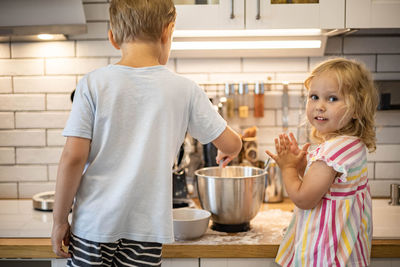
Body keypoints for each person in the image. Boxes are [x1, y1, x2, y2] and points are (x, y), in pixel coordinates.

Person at [51, 0, 242, 266]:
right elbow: (232, 142)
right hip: (146, 230)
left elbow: (72, 158)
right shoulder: (185, 89)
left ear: (113, 38)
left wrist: (60, 220)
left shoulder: (92, 84)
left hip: (94, 225)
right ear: (168, 32)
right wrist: (230, 148)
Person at [266, 58, 378, 267]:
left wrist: (288, 168)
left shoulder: (334, 151)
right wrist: (303, 168)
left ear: (357, 109)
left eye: (332, 98)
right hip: (346, 255)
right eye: (314, 97)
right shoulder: (351, 145)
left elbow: (304, 199)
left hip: (324, 257)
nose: (319, 106)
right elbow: (328, 187)